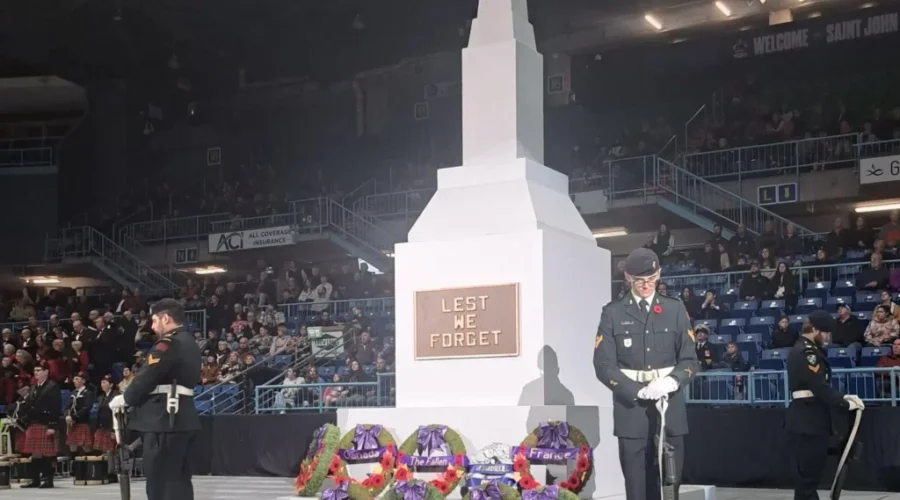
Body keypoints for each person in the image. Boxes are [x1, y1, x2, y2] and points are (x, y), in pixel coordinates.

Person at [594, 247, 699, 500]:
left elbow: (690, 360)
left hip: (669, 407)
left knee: (669, 486)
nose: (646, 285)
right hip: (632, 411)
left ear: (659, 274)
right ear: (628, 277)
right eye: (640, 279)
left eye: (651, 279)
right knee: (637, 488)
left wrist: (672, 381)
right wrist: (636, 390)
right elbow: (603, 364)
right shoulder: (613, 312)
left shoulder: (674, 310)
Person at [109, 299, 201, 500]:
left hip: (163, 420)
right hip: (181, 417)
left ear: (165, 318)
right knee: (179, 481)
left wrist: (126, 397)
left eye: (154, 320)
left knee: (161, 483)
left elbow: (148, 374)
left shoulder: (168, 343)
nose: (152, 326)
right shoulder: (189, 342)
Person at [786, 310, 864, 500]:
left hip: (810, 419)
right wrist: (844, 402)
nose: (828, 337)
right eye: (826, 332)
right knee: (808, 478)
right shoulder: (807, 353)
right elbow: (819, 386)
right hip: (808, 421)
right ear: (814, 330)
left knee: (809, 476)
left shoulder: (806, 349)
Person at [20, 363, 62, 488]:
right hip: (33, 423)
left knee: (46, 453)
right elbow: (29, 405)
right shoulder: (33, 387)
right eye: (35, 370)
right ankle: (35, 479)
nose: (36, 372)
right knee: (35, 453)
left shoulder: (52, 386)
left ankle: (49, 480)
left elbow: (56, 407)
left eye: (39, 370)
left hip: (45, 423)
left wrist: (52, 425)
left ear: (46, 372)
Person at [64, 372, 95, 457]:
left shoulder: (87, 393)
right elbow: (68, 406)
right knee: (72, 446)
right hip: (73, 424)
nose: (74, 381)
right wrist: (67, 415)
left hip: (82, 422)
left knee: (85, 447)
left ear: (83, 381)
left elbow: (87, 407)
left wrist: (74, 416)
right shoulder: (73, 392)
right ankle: (74, 469)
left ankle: (90, 468)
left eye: (77, 379)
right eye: (74, 379)